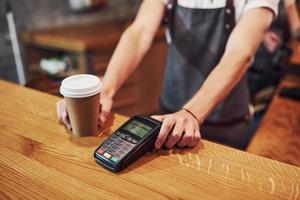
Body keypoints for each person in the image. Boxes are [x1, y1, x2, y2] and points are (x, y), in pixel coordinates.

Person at [57, 0, 278, 150]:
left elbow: (240, 53)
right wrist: (105, 89)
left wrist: (191, 113)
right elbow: (140, 30)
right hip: (170, 117)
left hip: (227, 124)